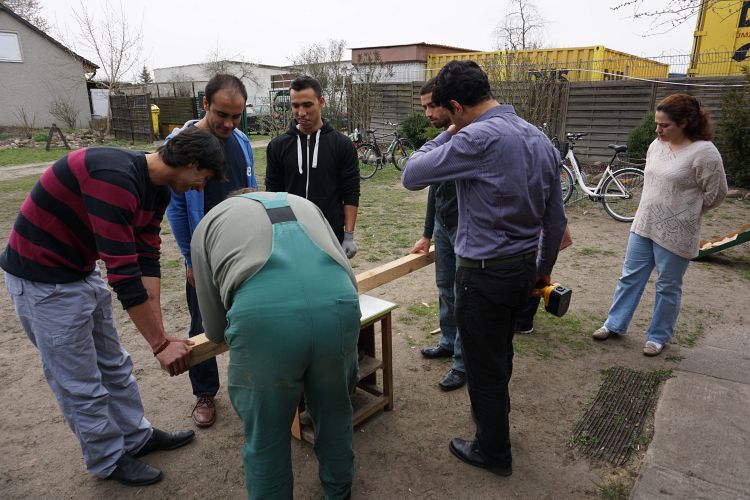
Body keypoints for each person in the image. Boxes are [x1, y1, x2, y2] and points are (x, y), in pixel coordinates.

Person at [0, 127, 226, 486]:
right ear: (191, 163)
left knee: (114, 365)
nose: (200, 187)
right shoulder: (114, 178)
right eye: (204, 178)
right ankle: (107, 459)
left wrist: (162, 335)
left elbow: (147, 258)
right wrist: (158, 345)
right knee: (80, 382)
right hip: (43, 281)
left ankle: (136, 438)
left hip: (79, 271)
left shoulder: (157, 190)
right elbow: (123, 275)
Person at [402, 60, 567, 476]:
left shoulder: (475, 137)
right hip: (523, 269)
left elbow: (412, 174)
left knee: (482, 365)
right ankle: (494, 425)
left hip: (483, 274)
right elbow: (555, 221)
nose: (446, 120)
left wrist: (448, 133)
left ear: (457, 106)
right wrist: (542, 272)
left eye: (447, 113)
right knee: (500, 354)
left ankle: (492, 451)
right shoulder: (539, 138)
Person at [190, 191, 360, 500]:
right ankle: (340, 491)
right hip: (338, 305)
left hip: (263, 319)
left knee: (266, 433)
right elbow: (348, 275)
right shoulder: (305, 203)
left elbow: (214, 330)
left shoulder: (208, 223)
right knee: (335, 411)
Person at [592, 93, 727, 356]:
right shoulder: (656, 145)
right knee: (629, 277)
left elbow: (717, 193)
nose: (658, 130)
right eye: (657, 124)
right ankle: (614, 324)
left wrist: (688, 211)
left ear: (685, 122)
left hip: (677, 231)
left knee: (667, 286)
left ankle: (658, 336)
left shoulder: (705, 152)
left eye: (664, 125)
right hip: (644, 224)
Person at [166, 74, 257, 429]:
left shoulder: (242, 141)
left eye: (236, 116)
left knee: (248, 314)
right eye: (222, 114)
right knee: (202, 322)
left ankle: (252, 382)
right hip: (204, 254)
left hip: (242, 249)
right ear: (205, 104)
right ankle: (204, 392)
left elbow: (251, 190)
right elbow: (177, 208)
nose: (229, 124)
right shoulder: (182, 143)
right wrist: (191, 259)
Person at [410, 78, 465, 391]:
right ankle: (447, 341)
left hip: (466, 228)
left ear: (450, 103)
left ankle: (462, 363)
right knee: (445, 288)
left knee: (463, 295)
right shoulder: (442, 141)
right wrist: (427, 233)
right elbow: (434, 188)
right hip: (444, 227)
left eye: (432, 105)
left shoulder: (467, 140)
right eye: (424, 107)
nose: (428, 113)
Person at [265, 75, 360, 257]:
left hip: (330, 235)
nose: (301, 112)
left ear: (321, 102)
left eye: (307, 105)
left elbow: (351, 191)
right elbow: (273, 193)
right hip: (290, 236)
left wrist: (348, 235)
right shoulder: (277, 146)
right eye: (295, 106)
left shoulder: (342, 145)